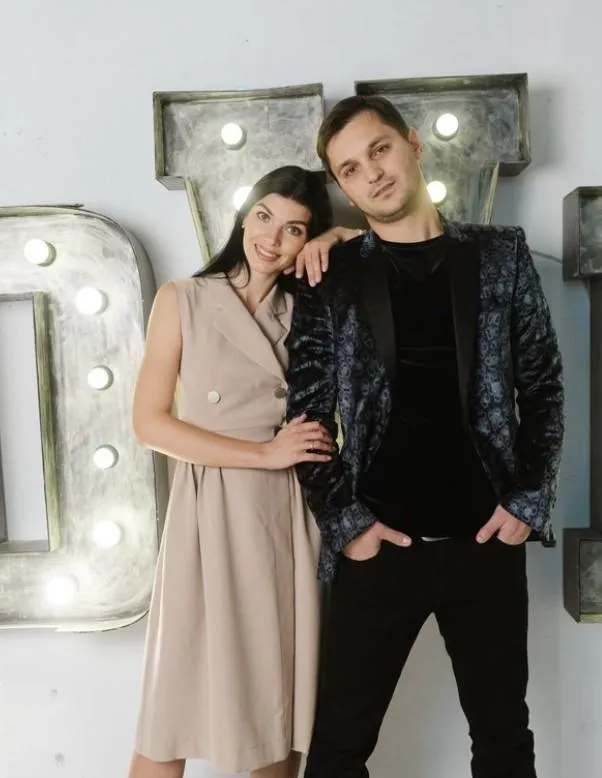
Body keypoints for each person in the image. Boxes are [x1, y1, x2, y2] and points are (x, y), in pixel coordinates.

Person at [285, 96, 565, 778]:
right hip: (378, 547)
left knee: (504, 742)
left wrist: (527, 502)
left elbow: (543, 386)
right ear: (343, 187)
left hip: (487, 542)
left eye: (379, 150)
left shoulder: (500, 254)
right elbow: (307, 418)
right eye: (350, 170)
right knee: (337, 750)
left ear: (412, 143)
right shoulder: (333, 276)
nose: (372, 174)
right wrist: (349, 526)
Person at [128, 165, 361, 778]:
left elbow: (388, 253)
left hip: (285, 517)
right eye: (263, 216)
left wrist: (337, 238)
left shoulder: (309, 310)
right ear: (243, 215)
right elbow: (149, 424)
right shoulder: (183, 298)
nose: (271, 238)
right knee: (170, 713)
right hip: (207, 513)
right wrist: (264, 454)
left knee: (274, 717)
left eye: (294, 229)